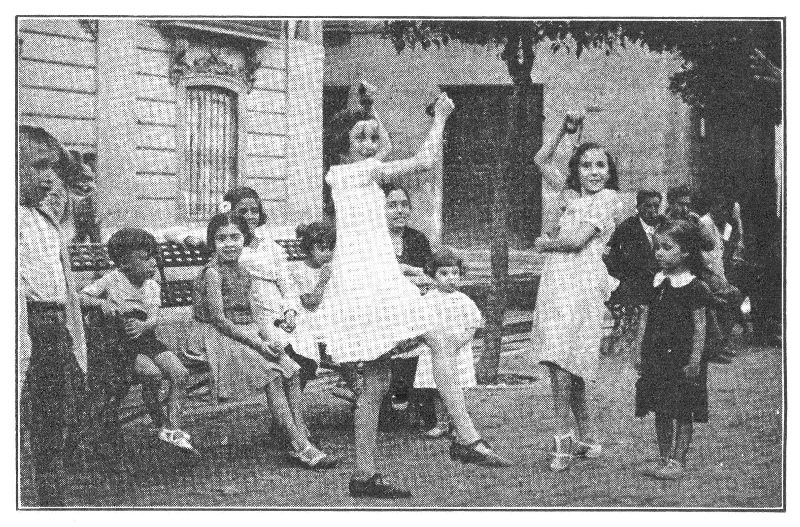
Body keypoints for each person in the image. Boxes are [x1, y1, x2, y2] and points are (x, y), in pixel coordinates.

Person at [316, 89, 512, 499]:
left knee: (376, 378)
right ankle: (465, 437)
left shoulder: (348, 173)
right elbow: (424, 162)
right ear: (344, 146)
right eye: (360, 138)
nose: (372, 144)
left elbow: (383, 148)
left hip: (370, 276)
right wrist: (440, 118)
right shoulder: (358, 173)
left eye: (371, 137)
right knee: (433, 342)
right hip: (369, 283)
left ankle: (365, 474)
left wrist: (371, 110)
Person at [190, 213, 336, 468]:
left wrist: (269, 338)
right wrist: (258, 344)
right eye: (221, 239)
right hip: (216, 336)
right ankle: (300, 445)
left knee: (290, 368)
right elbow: (220, 320)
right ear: (212, 243)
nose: (229, 244)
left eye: (235, 237)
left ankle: (297, 433)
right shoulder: (213, 273)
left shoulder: (241, 270)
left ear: (244, 240)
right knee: (273, 374)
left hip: (243, 331)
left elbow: (250, 314)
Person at [531, 110, 622, 472]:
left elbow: (576, 242)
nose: (594, 172)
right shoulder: (568, 194)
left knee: (565, 360)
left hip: (582, 282)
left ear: (610, 171)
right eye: (586, 165)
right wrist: (562, 131)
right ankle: (587, 435)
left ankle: (563, 438)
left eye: (601, 165)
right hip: (556, 281)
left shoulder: (608, 200)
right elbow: (540, 159)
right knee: (561, 360)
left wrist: (542, 243)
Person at [18, 125, 94, 506]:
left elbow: (75, 191)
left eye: (52, 168)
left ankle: (53, 499)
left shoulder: (43, 218)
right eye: (37, 167)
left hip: (54, 326)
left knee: (58, 417)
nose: (49, 178)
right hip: (25, 326)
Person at [80, 228, 194, 454]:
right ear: (124, 264)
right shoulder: (112, 280)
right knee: (152, 374)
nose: (153, 263)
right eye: (145, 258)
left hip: (147, 338)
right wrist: (105, 304)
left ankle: (173, 429)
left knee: (180, 374)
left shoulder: (152, 285)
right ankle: (159, 422)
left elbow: (154, 316)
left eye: (154, 257)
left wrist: (144, 325)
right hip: (122, 344)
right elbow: (82, 296)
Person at [632, 219, 715, 480]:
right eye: (657, 247)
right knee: (660, 407)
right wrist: (637, 349)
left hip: (682, 357)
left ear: (686, 252)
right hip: (656, 356)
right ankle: (664, 457)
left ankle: (678, 460)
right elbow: (644, 318)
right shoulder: (655, 282)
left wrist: (695, 359)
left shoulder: (695, 287)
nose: (659, 252)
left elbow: (701, 327)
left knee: (682, 408)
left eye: (666, 248)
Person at [412, 248, 482, 439]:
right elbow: (419, 325)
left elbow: (473, 326)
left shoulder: (464, 301)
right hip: (433, 350)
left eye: (455, 273)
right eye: (444, 274)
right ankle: (441, 422)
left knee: (455, 386)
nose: (450, 278)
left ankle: (457, 422)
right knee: (436, 388)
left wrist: (460, 341)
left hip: (457, 350)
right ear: (433, 275)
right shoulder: (427, 300)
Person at [382, 183, 435, 417]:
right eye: (392, 205)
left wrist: (405, 273)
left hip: (414, 306)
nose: (400, 210)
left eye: (404, 205)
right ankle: (389, 397)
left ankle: (423, 401)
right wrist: (406, 272)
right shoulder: (374, 240)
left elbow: (430, 276)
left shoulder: (417, 239)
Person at [604, 189, 663, 355]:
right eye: (647, 206)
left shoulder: (663, 224)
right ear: (638, 207)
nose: (652, 210)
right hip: (633, 283)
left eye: (656, 206)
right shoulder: (627, 228)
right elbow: (613, 258)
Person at [692, 190, 744, 363]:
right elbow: (706, 256)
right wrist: (718, 278)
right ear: (712, 207)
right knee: (733, 296)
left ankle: (720, 343)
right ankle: (717, 345)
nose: (723, 212)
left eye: (725, 209)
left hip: (716, 272)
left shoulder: (718, 223)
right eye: (720, 208)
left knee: (732, 298)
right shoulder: (705, 223)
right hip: (707, 273)